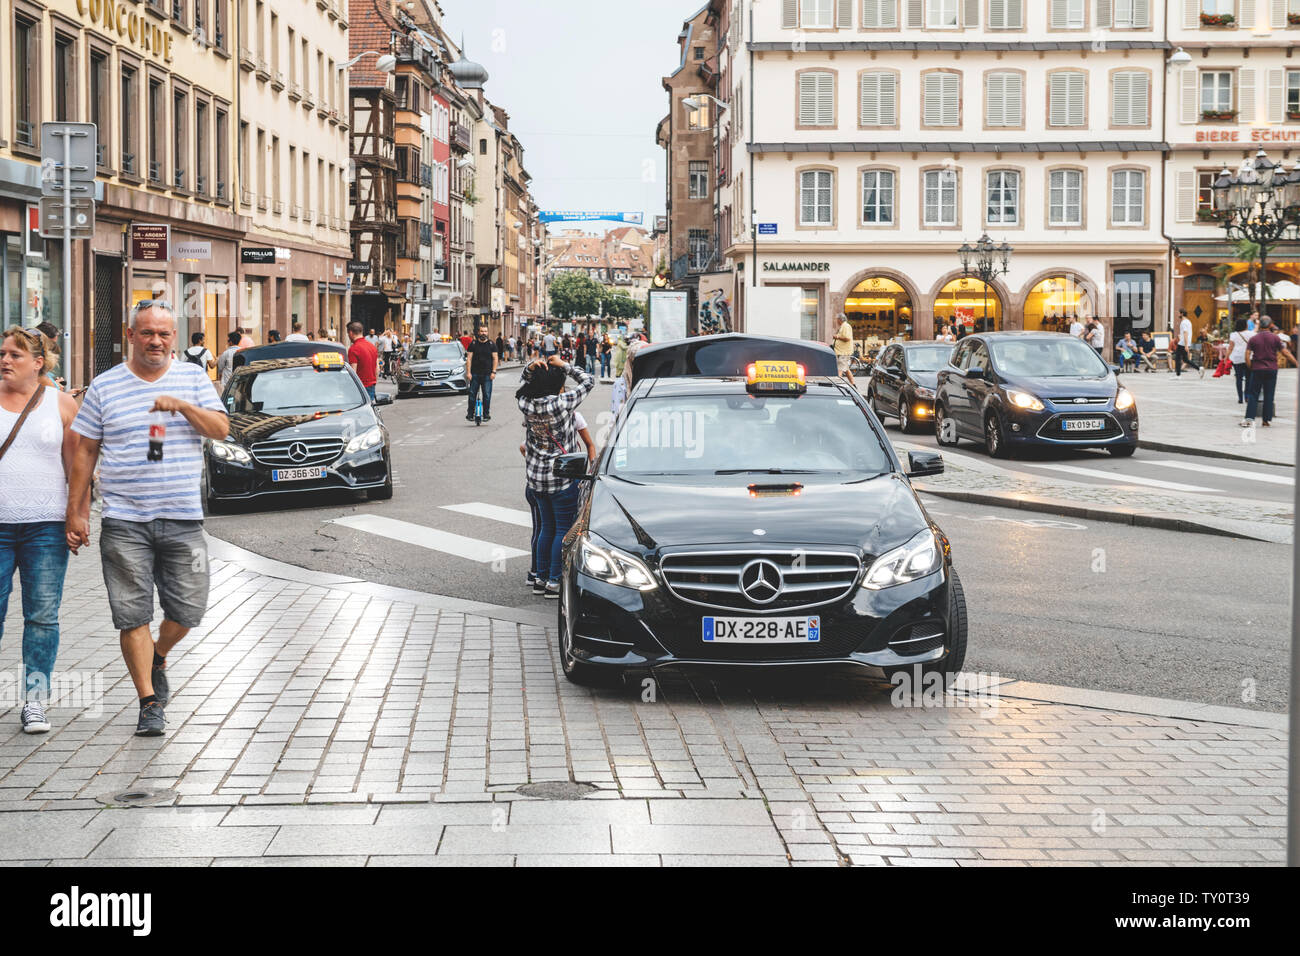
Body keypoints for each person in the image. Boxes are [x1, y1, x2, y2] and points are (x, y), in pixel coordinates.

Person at [66, 300, 229, 738]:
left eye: (163, 333)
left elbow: (220, 429)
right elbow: (84, 449)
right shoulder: (105, 386)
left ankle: (159, 655)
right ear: (130, 335)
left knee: (189, 611)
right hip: (123, 521)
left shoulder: (194, 378)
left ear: (173, 337)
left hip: (183, 519)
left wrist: (182, 407)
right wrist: (76, 511)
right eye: (146, 333)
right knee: (131, 615)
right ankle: (148, 702)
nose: (155, 341)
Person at [0, 327, 85, 733]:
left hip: (46, 529)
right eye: (2, 353)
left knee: (41, 617)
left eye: (15, 354)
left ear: (39, 362)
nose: (5, 360)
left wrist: (77, 516)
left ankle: (34, 702)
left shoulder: (62, 404)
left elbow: (78, 469)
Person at [517, 355, 596, 598]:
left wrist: (530, 367)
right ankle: (553, 581)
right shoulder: (562, 403)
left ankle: (540, 578)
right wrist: (564, 365)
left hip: (536, 476)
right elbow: (588, 380)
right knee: (562, 528)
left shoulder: (526, 403)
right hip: (561, 476)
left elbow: (523, 383)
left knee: (545, 529)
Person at [1241, 317, 1296, 428]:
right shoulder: (1275, 338)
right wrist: (1296, 363)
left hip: (1257, 369)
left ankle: (1249, 419)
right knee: (1269, 394)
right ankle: (1266, 420)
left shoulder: (1254, 339)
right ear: (1270, 325)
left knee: (1253, 394)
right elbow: (1285, 352)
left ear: (1260, 325)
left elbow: (1247, 355)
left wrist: (1251, 366)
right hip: (1271, 369)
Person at [464, 325, 499, 422]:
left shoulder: (492, 344)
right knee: (472, 395)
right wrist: (468, 372)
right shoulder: (473, 344)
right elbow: (469, 359)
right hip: (474, 374)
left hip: (488, 374)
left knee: (487, 395)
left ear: (487, 333)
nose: (483, 333)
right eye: (482, 331)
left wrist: (494, 372)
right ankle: (470, 414)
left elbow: (495, 358)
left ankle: (486, 414)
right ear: (478, 332)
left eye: (485, 331)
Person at [346, 321, 379, 402]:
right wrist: (374, 382)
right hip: (371, 386)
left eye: (348, 334)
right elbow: (377, 369)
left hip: (359, 388)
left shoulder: (354, 349)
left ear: (350, 333)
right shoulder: (372, 347)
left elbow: (353, 372)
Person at [1227, 318, 1254, 404]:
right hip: (1248, 357)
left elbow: (1230, 347)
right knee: (1249, 378)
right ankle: (1247, 396)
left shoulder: (1233, 335)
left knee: (1238, 378)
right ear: (1246, 325)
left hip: (1237, 358)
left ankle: (1240, 397)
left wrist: (1226, 357)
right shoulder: (1252, 334)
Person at [831, 312, 856, 389]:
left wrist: (837, 337)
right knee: (846, 369)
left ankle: (837, 386)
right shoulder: (844, 326)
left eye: (837, 319)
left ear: (839, 319)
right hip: (842, 351)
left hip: (843, 352)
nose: (836, 321)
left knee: (840, 370)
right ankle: (853, 385)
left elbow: (847, 338)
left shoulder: (846, 326)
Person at [1175, 310, 1202, 378]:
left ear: (1182, 314)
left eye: (1179, 313)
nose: (1178, 314)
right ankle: (1199, 369)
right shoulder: (1188, 321)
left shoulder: (1184, 323)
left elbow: (1185, 333)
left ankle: (1178, 375)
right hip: (1185, 342)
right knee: (1185, 359)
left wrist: (1186, 345)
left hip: (1182, 343)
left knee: (1177, 358)